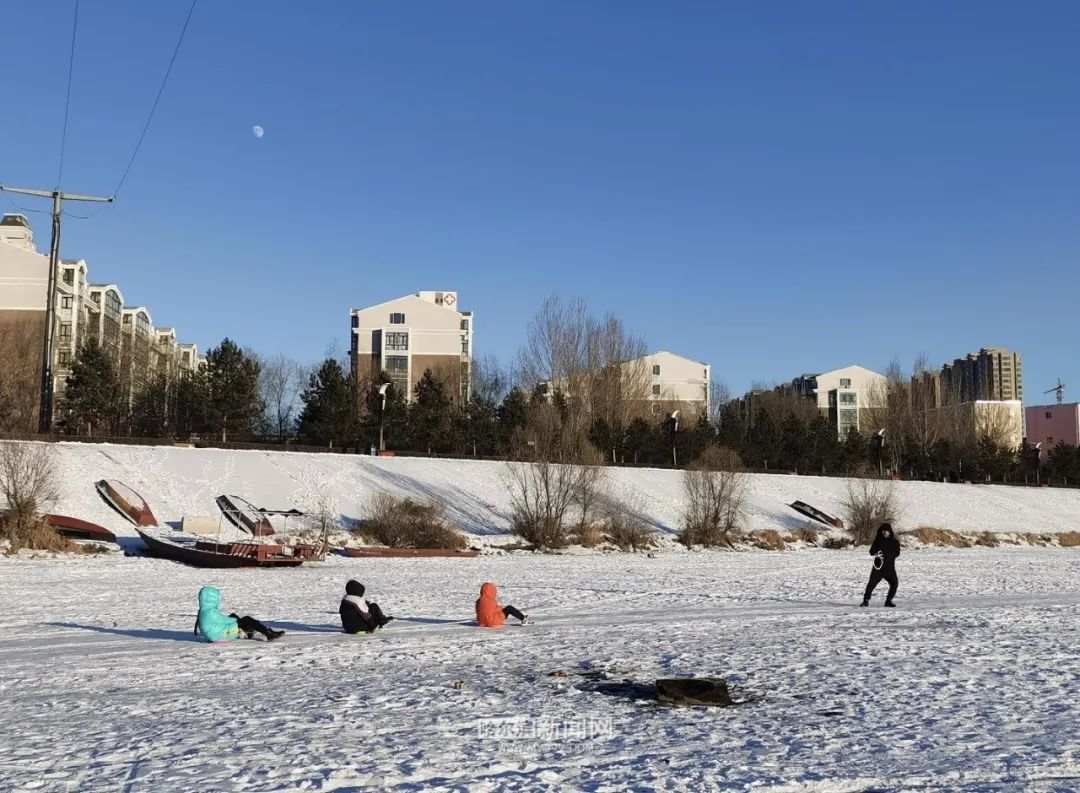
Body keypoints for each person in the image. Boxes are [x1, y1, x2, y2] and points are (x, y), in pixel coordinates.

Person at [194, 585, 283, 642]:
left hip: (213, 634)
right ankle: (268, 633)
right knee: (246, 619)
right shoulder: (210, 611)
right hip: (221, 635)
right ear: (212, 598)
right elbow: (223, 620)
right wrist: (236, 620)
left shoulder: (203, 610)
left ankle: (248, 631)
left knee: (235, 616)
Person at [861, 523, 900, 607]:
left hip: (890, 568)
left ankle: (888, 601)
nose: (885, 533)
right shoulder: (878, 541)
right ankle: (865, 600)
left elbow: (897, 553)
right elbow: (871, 552)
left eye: (887, 531)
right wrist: (877, 554)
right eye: (883, 531)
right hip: (878, 568)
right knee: (871, 584)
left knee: (894, 584)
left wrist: (889, 555)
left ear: (890, 532)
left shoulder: (895, 542)